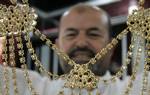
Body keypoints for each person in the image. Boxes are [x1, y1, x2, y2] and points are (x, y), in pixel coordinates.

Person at [0, 3, 149, 95]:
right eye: (71, 34)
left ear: (111, 47)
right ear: (57, 46)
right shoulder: (25, 87)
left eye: (93, 34)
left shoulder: (138, 89)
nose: (82, 43)